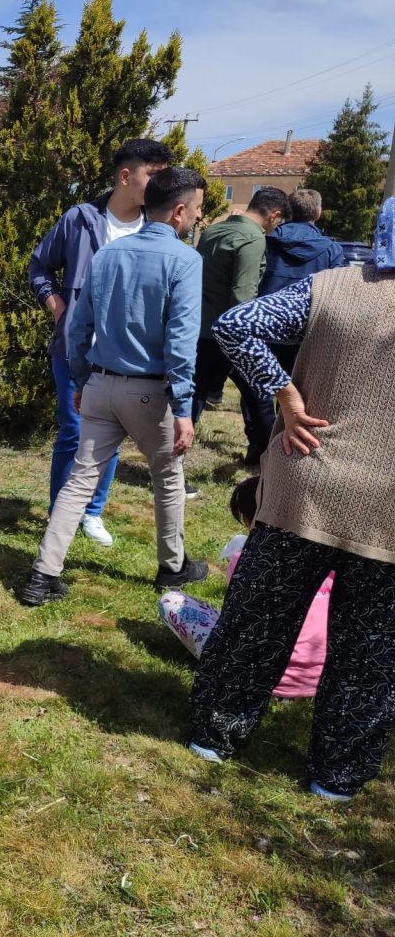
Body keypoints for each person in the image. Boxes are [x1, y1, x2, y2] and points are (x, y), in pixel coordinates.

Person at [188, 196, 395, 801]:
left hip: (306, 480)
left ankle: (215, 733)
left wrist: (284, 394)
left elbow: (235, 325)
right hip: (388, 507)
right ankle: (337, 776)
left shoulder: (330, 288)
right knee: (370, 652)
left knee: (259, 618)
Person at [20, 167, 210, 606]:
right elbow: (181, 341)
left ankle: (43, 573)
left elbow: (78, 324)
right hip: (151, 391)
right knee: (167, 477)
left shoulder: (108, 254)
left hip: (102, 385)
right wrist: (183, 408)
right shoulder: (185, 261)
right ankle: (172, 567)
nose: (199, 218)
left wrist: (83, 379)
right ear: (179, 212)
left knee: (80, 479)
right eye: (198, 210)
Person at [29, 139, 174, 548]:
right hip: (75, 349)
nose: (160, 184)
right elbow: (40, 265)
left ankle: (91, 512)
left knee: (110, 435)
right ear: (126, 176)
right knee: (75, 431)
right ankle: (62, 511)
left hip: (127, 354)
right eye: (153, 175)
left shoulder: (156, 228)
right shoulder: (80, 220)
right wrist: (57, 305)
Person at [159, 475, 328, 698]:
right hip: (316, 677)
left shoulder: (245, 559)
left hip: (258, 673)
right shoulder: (326, 559)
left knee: (171, 601)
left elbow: (237, 617)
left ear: (251, 520)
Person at [193, 187, 292, 464]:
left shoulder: (215, 231)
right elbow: (243, 294)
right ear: (274, 215)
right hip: (230, 334)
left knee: (196, 395)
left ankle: (171, 462)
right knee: (259, 394)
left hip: (202, 327)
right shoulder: (252, 239)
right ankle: (271, 460)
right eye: (279, 222)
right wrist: (251, 340)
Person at [257, 188, 347, 379]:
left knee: (258, 395)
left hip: (266, 327)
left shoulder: (265, 242)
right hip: (306, 333)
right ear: (318, 212)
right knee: (297, 395)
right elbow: (337, 295)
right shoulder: (331, 250)